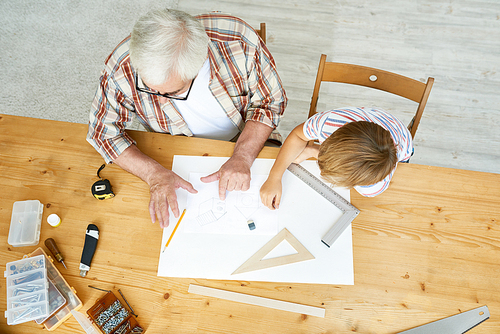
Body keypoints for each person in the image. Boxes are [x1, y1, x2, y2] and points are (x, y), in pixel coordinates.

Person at [87, 9, 287, 228]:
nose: (161, 99)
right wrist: (152, 174)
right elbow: (102, 133)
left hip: (247, 137)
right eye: (152, 90)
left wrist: (243, 155)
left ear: (200, 64)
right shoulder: (121, 67)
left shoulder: (239, 40)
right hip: (175, 147)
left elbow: (270, 102)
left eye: (173, 92)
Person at [260, 107, 413, 209]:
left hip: (402, 139)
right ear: (334, 135)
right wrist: (274, 177)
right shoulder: (328, 122)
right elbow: (298, 135)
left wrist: (313, 151)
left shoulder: (372, 188)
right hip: (376, 117)